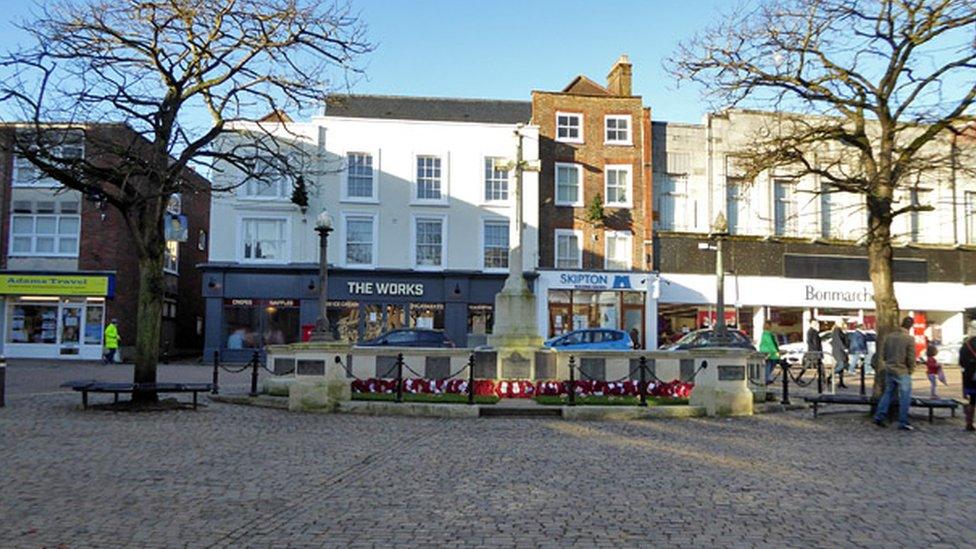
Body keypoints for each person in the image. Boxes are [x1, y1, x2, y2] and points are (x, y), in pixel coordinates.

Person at [873, 316, 918, 431]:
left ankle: (879, 415)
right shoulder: (909, 338)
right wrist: (911, 369)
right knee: (905, 396)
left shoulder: (889, 337)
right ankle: (903, 421)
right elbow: (911, 357)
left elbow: (884, 353)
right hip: (902, 370)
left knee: (888, 393)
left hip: (889, 368)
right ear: (910, 326)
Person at [959, 335, 976, 432]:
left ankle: (969, 423)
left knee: (972, 401)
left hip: (969, 376)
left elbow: (961, 362)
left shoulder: (966, 345)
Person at [831, 320, 851, 388]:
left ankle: (841, 382)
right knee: (841, 365)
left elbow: (846, 340)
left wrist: (845, 333)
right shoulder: (836, 330)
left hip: (842, 351)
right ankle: (830, 376)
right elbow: (838, 340)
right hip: (838, 351)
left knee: (841, 367)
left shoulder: (841, 330)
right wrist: (844, 348)